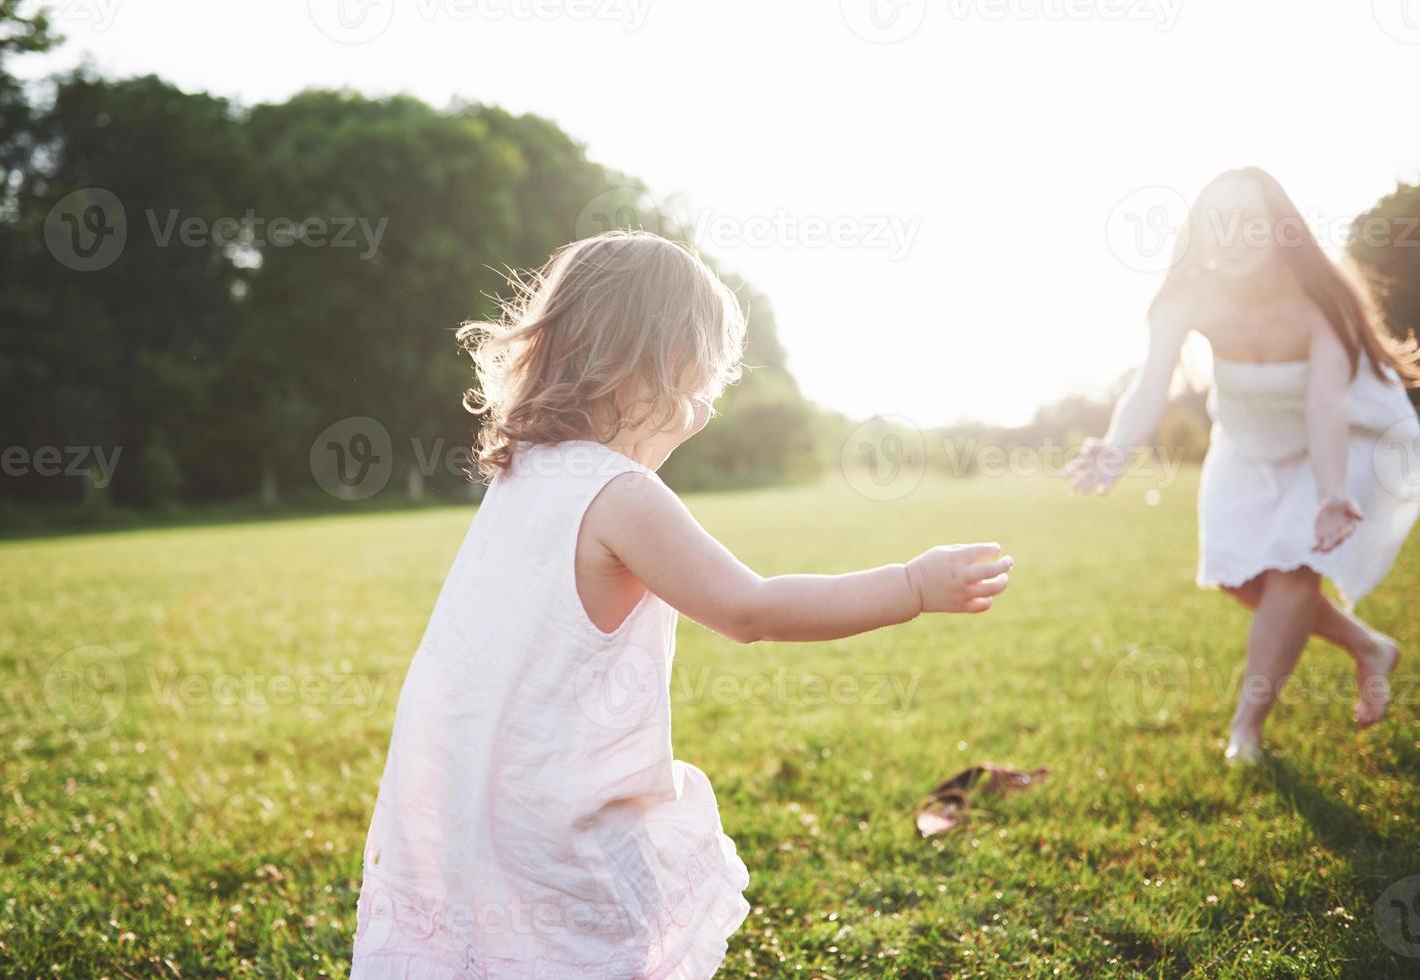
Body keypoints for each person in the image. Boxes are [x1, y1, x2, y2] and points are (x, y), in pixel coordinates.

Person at [351, 230, 1014, 978]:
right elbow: (750, 608)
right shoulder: (619, 495)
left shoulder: (525, 475)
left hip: (485, 798)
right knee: (594, 951)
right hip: (561, 819)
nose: (701, 415)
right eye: (697, 388)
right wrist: (911, 586)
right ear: (647, 370)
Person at [1067, 167, 1420, 764]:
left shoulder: (1319, 298)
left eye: (1251, 222)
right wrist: (1116, 446)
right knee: (1236, 573)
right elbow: (1151, 386)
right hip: (1247, 438)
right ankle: (1369, 647)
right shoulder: (1186, 298)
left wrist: (1332, 493)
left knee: (1292, 565)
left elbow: (1326, 404)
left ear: (1280, 230)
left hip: (1348, 437)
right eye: (1219, 222)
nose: (1234, 235)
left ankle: (1245, 731)